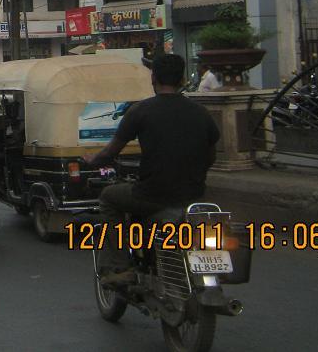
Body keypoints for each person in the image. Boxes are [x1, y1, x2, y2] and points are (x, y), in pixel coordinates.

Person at [82, 54, 220, 287]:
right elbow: (210, 156)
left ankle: (120, 266)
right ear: (183, 79)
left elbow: (110, 152)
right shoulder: (201, 112)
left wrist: (92, 160)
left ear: (153, 78)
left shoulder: (140, 111)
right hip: (193, 196)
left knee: (108, 198)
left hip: (152, 195)